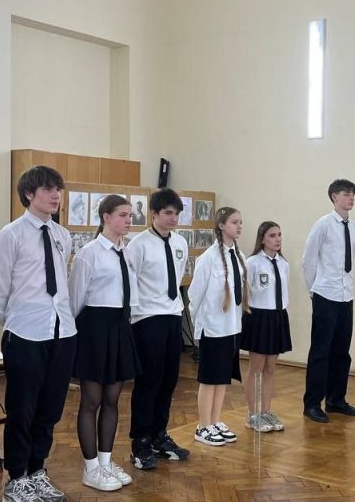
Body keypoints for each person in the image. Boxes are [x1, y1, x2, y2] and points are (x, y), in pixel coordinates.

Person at [0, 166, 76, 502]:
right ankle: (17, 478)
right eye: (48, 189)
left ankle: (37, 470)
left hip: (61, 331)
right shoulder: (9, 236)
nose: (56, 196)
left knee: (50, 409)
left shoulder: (62, 235)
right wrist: (16, 323)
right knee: (22, 410)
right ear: (28, 194)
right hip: (25, 334)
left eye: (58, 190)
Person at [68, 195, 140, 492]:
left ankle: (105, 461)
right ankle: (90, 468)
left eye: (130, 215)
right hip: (94, 328)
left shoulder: (127, 251)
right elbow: (75, 299)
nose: (128, 220)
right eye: (122, 215)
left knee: (112, 399)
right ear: (106, 217)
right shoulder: (90, 253)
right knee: (92, 400)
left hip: (119, 326)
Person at [125, 188, 191, 469]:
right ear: (153, 214)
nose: (173, 218)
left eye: (176, 214)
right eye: (168, 213)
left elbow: (177, 277)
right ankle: (140, 440)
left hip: (172, 315)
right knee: (149, 381)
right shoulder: (138, 244)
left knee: (169, 379)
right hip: (147, 318)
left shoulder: (180, 242)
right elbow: (131, 283)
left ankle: (159, 435)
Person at [188, 207, 248, 445]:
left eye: (241, 222)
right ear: (222, 225)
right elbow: (195, 296)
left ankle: (215, 420)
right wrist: (200, 328)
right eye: (234, 222)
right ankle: (203, 425)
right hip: (213, 327)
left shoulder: (239, 256)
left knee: (223, 377)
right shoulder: (208, 258)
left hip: (232, 327)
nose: (239, 226)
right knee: (210, 378)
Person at [302, 179, 355, 423]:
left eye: (353, 194)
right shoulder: (323, 224)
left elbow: (349, 259)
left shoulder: (354, 228)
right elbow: (309, 259)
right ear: (334, 197)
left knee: (341, 351)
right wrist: (313, 290)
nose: (351, 198)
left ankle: (336, 399)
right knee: (321, 351)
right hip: (325, 294)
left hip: (346, 294)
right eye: (346, 194)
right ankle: (312, 403)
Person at [242, 221, 292, 432]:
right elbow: (246, 292)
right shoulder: (253, 262)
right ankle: (253, 414)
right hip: (259, 317)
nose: (277, 239)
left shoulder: (283, 263)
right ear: (262, 239)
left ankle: (266, 411)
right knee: (257, 367)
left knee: (271, 367)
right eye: (272, 235)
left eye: (279, 234)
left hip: (277, 316)